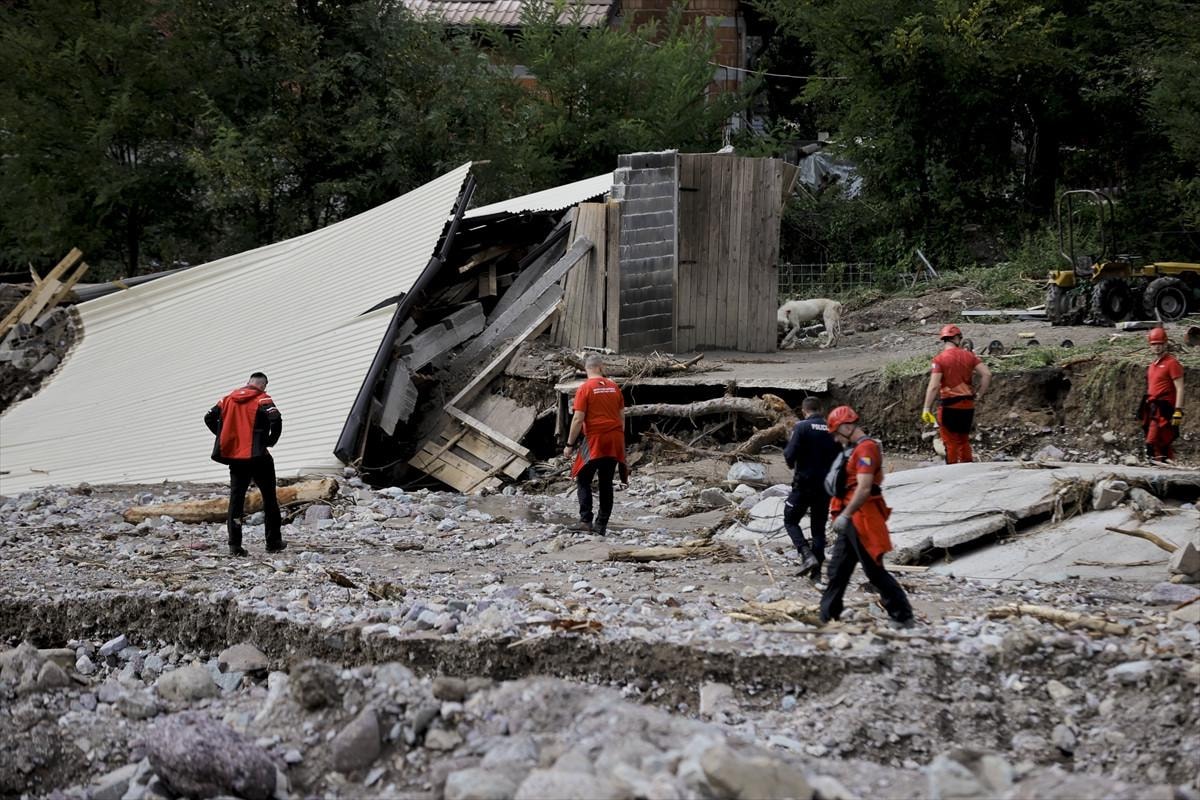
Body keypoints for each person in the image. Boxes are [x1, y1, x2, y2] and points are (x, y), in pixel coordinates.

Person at [819, 405, 915, 628]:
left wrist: (846, 515)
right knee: (838, 569)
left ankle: (902, 615)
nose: (835, 439)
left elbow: (863, 488)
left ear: (846, 427)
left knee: (874, 570)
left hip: (862, 517)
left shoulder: (866, 450)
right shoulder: (855, 449)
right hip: (852, 515)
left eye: (836, 433)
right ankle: (827, 615)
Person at [204, 372, 285, 556]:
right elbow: (276, 419)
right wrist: (269, 441)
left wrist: (224, 436)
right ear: (263, 385)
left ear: (248, 382)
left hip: (236, 459)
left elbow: (208, 418)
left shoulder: (226, 400)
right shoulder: (263, 399)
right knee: (269, 498)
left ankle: (234, 545)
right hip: (259, 457)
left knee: (236, 500)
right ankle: (273, 542)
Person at [563, 354, 628, 536]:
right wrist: (619, 437)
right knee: (606, 482)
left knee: (583, 478)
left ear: (586, 369)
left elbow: (578, 419)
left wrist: (569, 444)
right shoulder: (614, 387)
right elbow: (622, 416)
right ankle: (601, 524)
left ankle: (586, 521)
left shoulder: (585, 388)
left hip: (595, 439)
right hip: (614, 438)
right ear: (601, 367)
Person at [782, 396, 841, 579]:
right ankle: (816, 574)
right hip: (825, 487)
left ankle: (805, 554)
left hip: (804, 484)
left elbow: (789, 455)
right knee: (818, 528)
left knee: (790, 519)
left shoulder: (801, 427)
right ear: (821, 410)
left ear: (803, 411)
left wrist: (792, 463)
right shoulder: (832, 429)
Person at [921, 324, 992, 464]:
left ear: (945, 339)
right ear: (956, 338)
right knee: (963, 440)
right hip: (968, 405)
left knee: (950, 442)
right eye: (960, 337)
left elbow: (934, 386)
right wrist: (979, 394)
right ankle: (967, 468)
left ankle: (952, 471)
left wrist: (926, 408)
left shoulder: (939, 359)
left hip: (949, 406)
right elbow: (987, 374)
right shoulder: (970, 356)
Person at [1140, 327, 1185, 462]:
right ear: (1150, 346)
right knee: (1162, 439)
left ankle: (1154, 464)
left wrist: (1178, 410)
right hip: (1152, 408)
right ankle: (1165, 464)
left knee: (1152, 440)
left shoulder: (1172, 363)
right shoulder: (1152, 365)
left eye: (1160, 343)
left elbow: (1180, 388)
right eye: (1154, 344)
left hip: (1164, 408)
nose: (1157, 347)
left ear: (1166, 344)